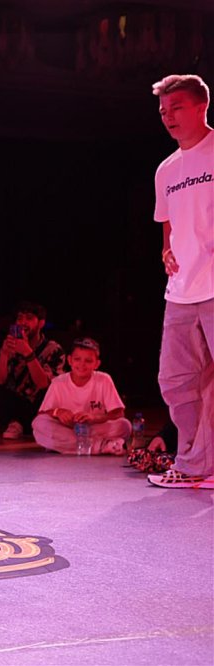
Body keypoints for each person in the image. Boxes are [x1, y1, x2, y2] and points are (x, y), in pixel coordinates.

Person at [149, 74, 214, 488]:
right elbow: (167, 224)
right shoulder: (166, 169)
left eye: (176, 107)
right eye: (162, 111)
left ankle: (197, 465)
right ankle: (197, 463)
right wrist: (166, 251)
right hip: (181, 291)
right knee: (176, 381)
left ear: (202, 106)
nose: (168, 116)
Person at [31, 338, 131, 455]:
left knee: (124, 425)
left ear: (97, 364)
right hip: (67, 429)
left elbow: (118, 413)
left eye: (88, 361)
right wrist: (58, 412)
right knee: (39, 423)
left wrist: (94, 417)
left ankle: (69, 446)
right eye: (77, 359)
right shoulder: (58, 382)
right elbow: (42, 414)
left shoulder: (104, 379)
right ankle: (100, 446)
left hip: (93, 428)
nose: (82, 364)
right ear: (69, 360)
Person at [0, 302, 66, 439]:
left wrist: (28, 353)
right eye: (20, 318)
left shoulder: (53, 349)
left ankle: (22, 424)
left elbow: (43, 384)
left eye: (29, 318)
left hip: (36, 403)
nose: (23, 322)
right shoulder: (11, 346)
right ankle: (15, 423)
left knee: (45, 395)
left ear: (41, 323)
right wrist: (4, 354)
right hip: (13, 401)